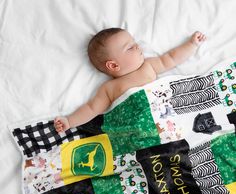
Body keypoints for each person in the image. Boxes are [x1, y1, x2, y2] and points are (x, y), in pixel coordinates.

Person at [54, 28, 206, 133]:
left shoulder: (149, 65)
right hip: (137, 128)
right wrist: (70, 121)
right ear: (113, 65)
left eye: (134, 42)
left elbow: (171, 58)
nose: (137, 46)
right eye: (130, 47)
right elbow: (91, 109)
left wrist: (191, 45)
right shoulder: (109, 88)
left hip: (169, 118)